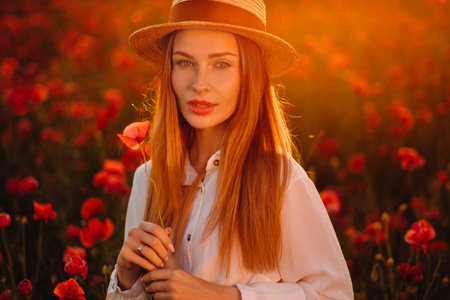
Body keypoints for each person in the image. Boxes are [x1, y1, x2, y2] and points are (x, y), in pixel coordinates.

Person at [107, 0, 354, 299]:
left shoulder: (281, 180)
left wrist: (224, 296)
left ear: (249, 74)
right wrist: (125, 278)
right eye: (185, 62)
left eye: (221, 64)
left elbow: (334, 295)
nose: (200, 84)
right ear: (168, 71)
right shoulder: (149, 179)